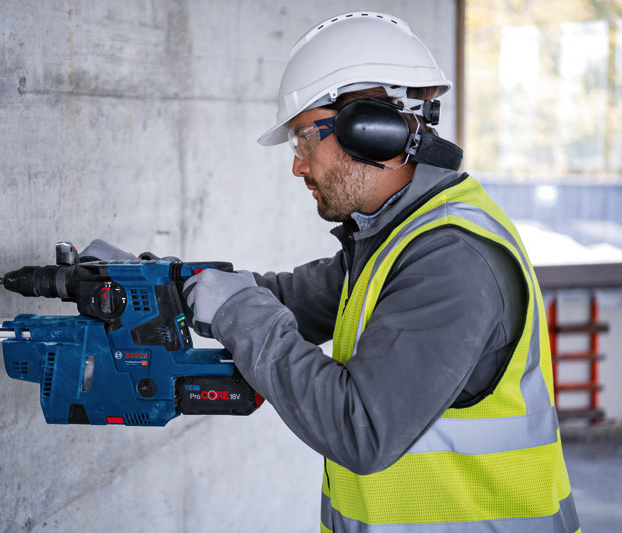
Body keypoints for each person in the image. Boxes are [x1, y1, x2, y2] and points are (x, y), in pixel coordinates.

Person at [179, 11, 580, 532]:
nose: (298, 165)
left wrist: (239, 313)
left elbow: (361, 429)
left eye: (304, 139)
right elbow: (284, 298)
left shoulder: (451, 259)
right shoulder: (393, 240)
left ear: (368, 129)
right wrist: (159, 281)